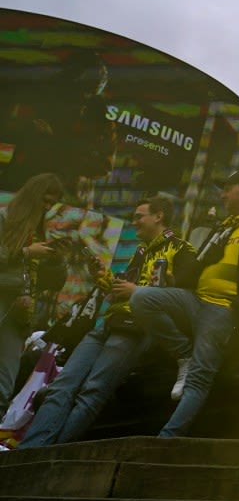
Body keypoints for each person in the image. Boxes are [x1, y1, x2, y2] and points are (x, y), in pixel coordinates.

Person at [21, 196, 196, 446]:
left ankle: (51, 453)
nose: (134, 222)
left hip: (135, 329)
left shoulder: (182, 250)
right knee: (61, 387)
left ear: (159, 217)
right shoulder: (141, 251)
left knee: (92, 392)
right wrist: (103, 277)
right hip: (108, 323)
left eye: (139, 216)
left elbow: (182, 297)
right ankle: (30, 450)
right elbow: (120, 290)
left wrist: (136, 291)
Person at [129, 170, 239, 437]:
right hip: (194, 299)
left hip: (223, 309)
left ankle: (167, 437)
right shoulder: (224, 227)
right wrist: (175, 279)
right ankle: (184, 355)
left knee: (200, 377)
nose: (222, 195)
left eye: (227, 188)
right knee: (142, 298)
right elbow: (199, 264)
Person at [0, 173, 64, 412]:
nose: (47, 207)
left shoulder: (40, 233)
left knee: (4, 383)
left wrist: (57, 262)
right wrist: (27, 252)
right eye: (44, 200)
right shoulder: (4, 218)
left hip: (17, 319)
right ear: (32, 196)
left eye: (51, 203)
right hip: (4, 303)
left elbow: (52, 283)